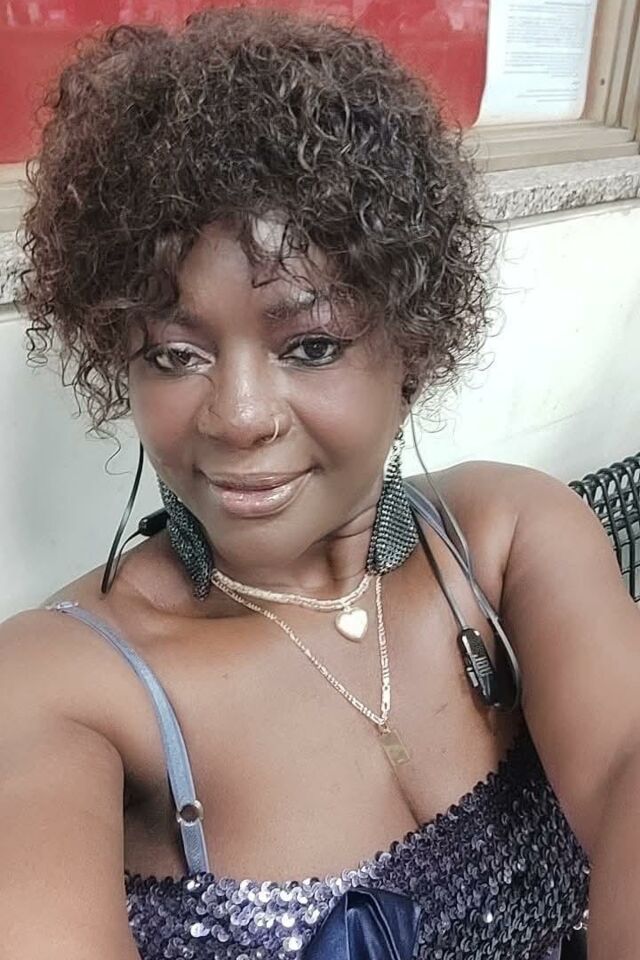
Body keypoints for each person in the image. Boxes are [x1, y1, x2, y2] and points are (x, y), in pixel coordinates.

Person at [2, 7, 639, 959]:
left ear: (412, 343)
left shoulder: (505, 543)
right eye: (174, 354)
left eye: (311, 345)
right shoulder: (63, 684)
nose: (238, 415)